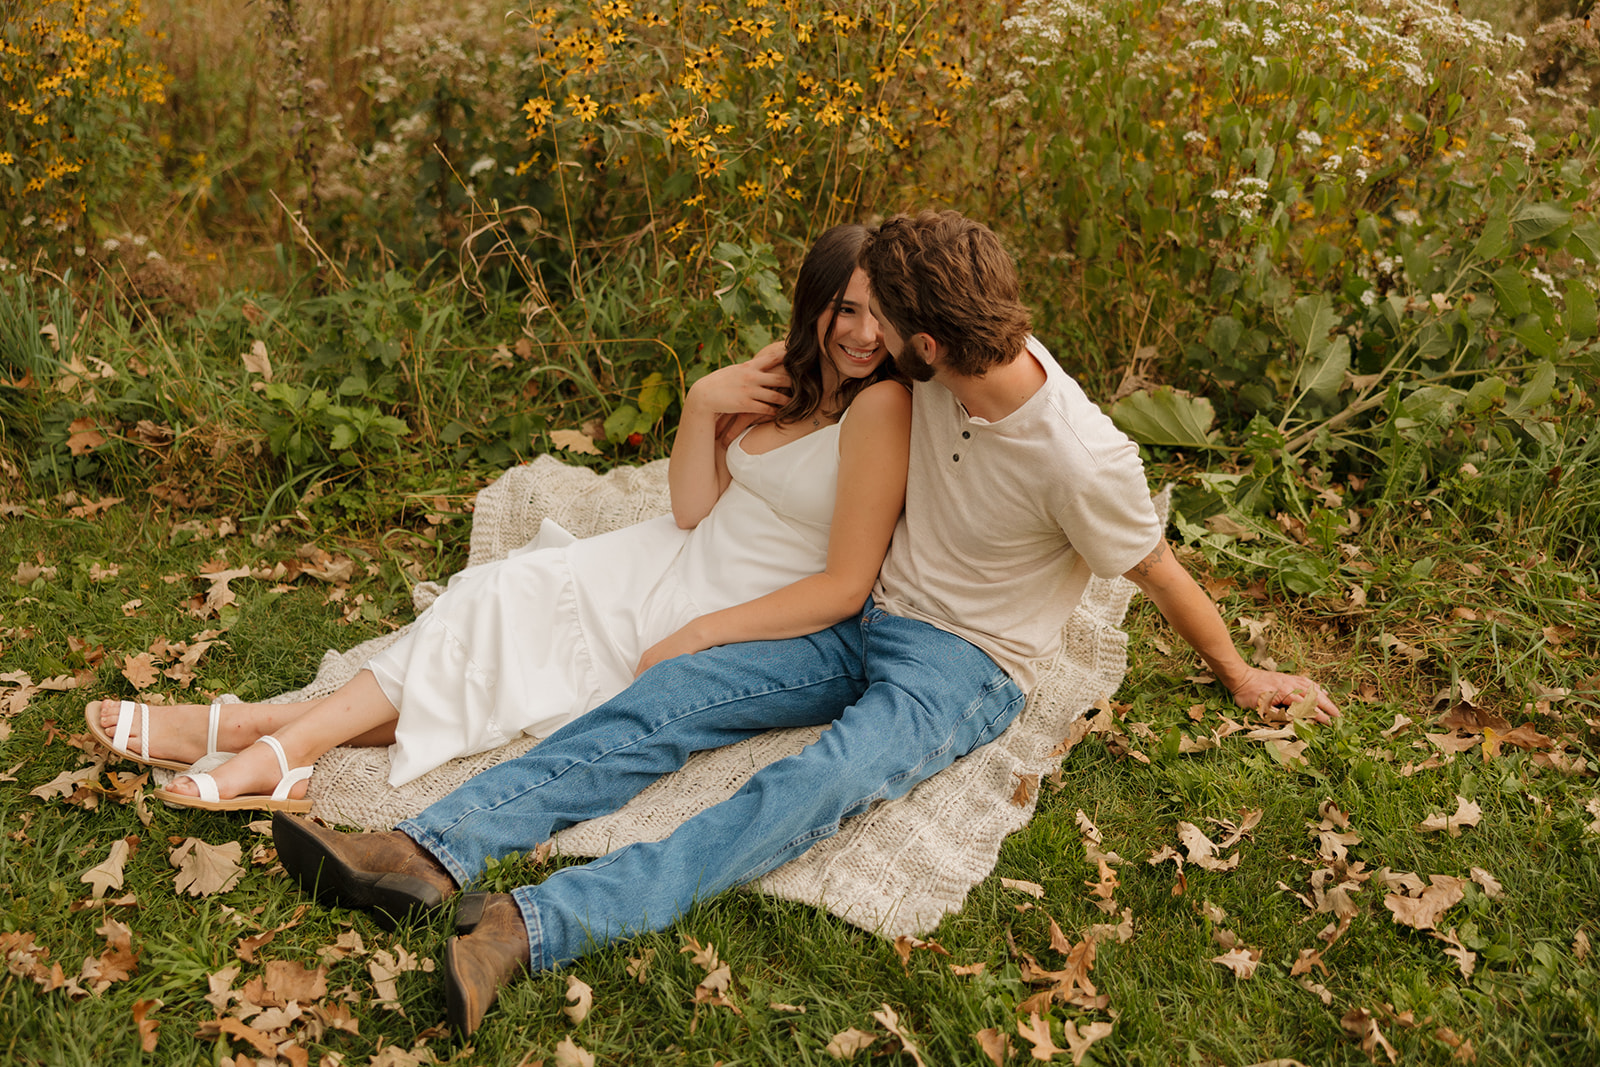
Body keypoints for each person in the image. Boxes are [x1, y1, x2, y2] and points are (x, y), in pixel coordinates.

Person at [271, 209, 1338, 1035]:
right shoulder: (941, 353)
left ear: (925, 338)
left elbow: (1155, 567)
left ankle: (531, 924)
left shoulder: (1082, 456)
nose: (861, 333)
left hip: (961, 666)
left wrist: (1241, 671)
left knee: (812, 780)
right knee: (669, 698)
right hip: (866, 611)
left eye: (883, 316)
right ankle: (426, 851)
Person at [83, 224, 911, 811]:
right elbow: (694, 509)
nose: (863, 333)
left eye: (880, 313)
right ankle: (272, 742)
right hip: (662, 558)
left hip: (721, 609)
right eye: (845, 308)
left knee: (488, 650)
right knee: (493, 608)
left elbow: (842, 586)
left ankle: (261, 739)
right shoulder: (788, 380)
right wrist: (700, 406)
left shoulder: (885, 413)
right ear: (815, 307)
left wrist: (699, 636)